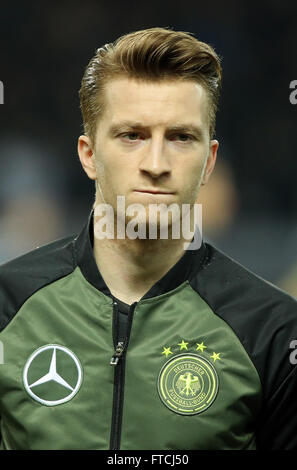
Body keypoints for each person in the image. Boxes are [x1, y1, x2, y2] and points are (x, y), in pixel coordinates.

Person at [0, 27, 296, 451]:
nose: (155, 164)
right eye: (132, 136)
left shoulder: (274, 331)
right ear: (88, 155)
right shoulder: (7, 307)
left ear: (209, 161)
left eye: (180, 137)